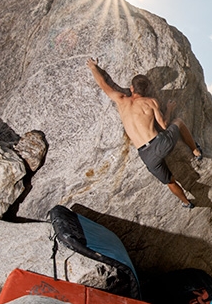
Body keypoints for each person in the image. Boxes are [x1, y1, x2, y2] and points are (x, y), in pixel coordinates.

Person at [86, 57, 203, 207]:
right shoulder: (150, 102)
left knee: (170, 181)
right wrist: (169, 109)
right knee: (178, 122)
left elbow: (104, 84)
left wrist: (93, 68)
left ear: (131, 88)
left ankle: (186, 203)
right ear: (146, 90)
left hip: (146, 155)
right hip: (161, 143)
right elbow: (165, 125)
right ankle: (196, 151)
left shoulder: (121, 100)